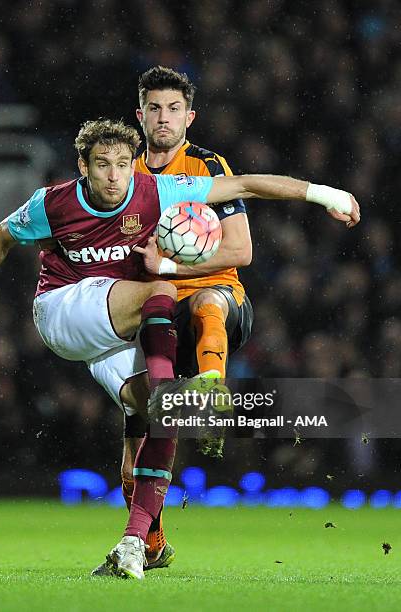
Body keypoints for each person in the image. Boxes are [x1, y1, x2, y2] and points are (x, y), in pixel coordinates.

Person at [0, 118, 360, 580]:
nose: (113, 176)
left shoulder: (156, 190)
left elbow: (244, 184)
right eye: (101, 165)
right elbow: (3, 234)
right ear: (83, 166)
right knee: (160, 287)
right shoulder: (53, 203)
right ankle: (172, 390)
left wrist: (325, 194)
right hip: (63, 310)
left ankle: (140, 541)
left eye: (122, 164)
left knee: (158, 423)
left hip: (113, 331)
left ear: (132, 166)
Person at [109, 66, 254, 574]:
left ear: (189, 117)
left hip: (216, 302)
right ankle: (150, 542)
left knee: (205, 303)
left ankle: (213, 385)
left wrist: (170, 265)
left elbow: (242, 249)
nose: (163, 118)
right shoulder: (124, 171)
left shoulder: (208, 167)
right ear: (140, 115)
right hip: (152, 316)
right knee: (137, 435)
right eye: (154, 108)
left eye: (174, 109)